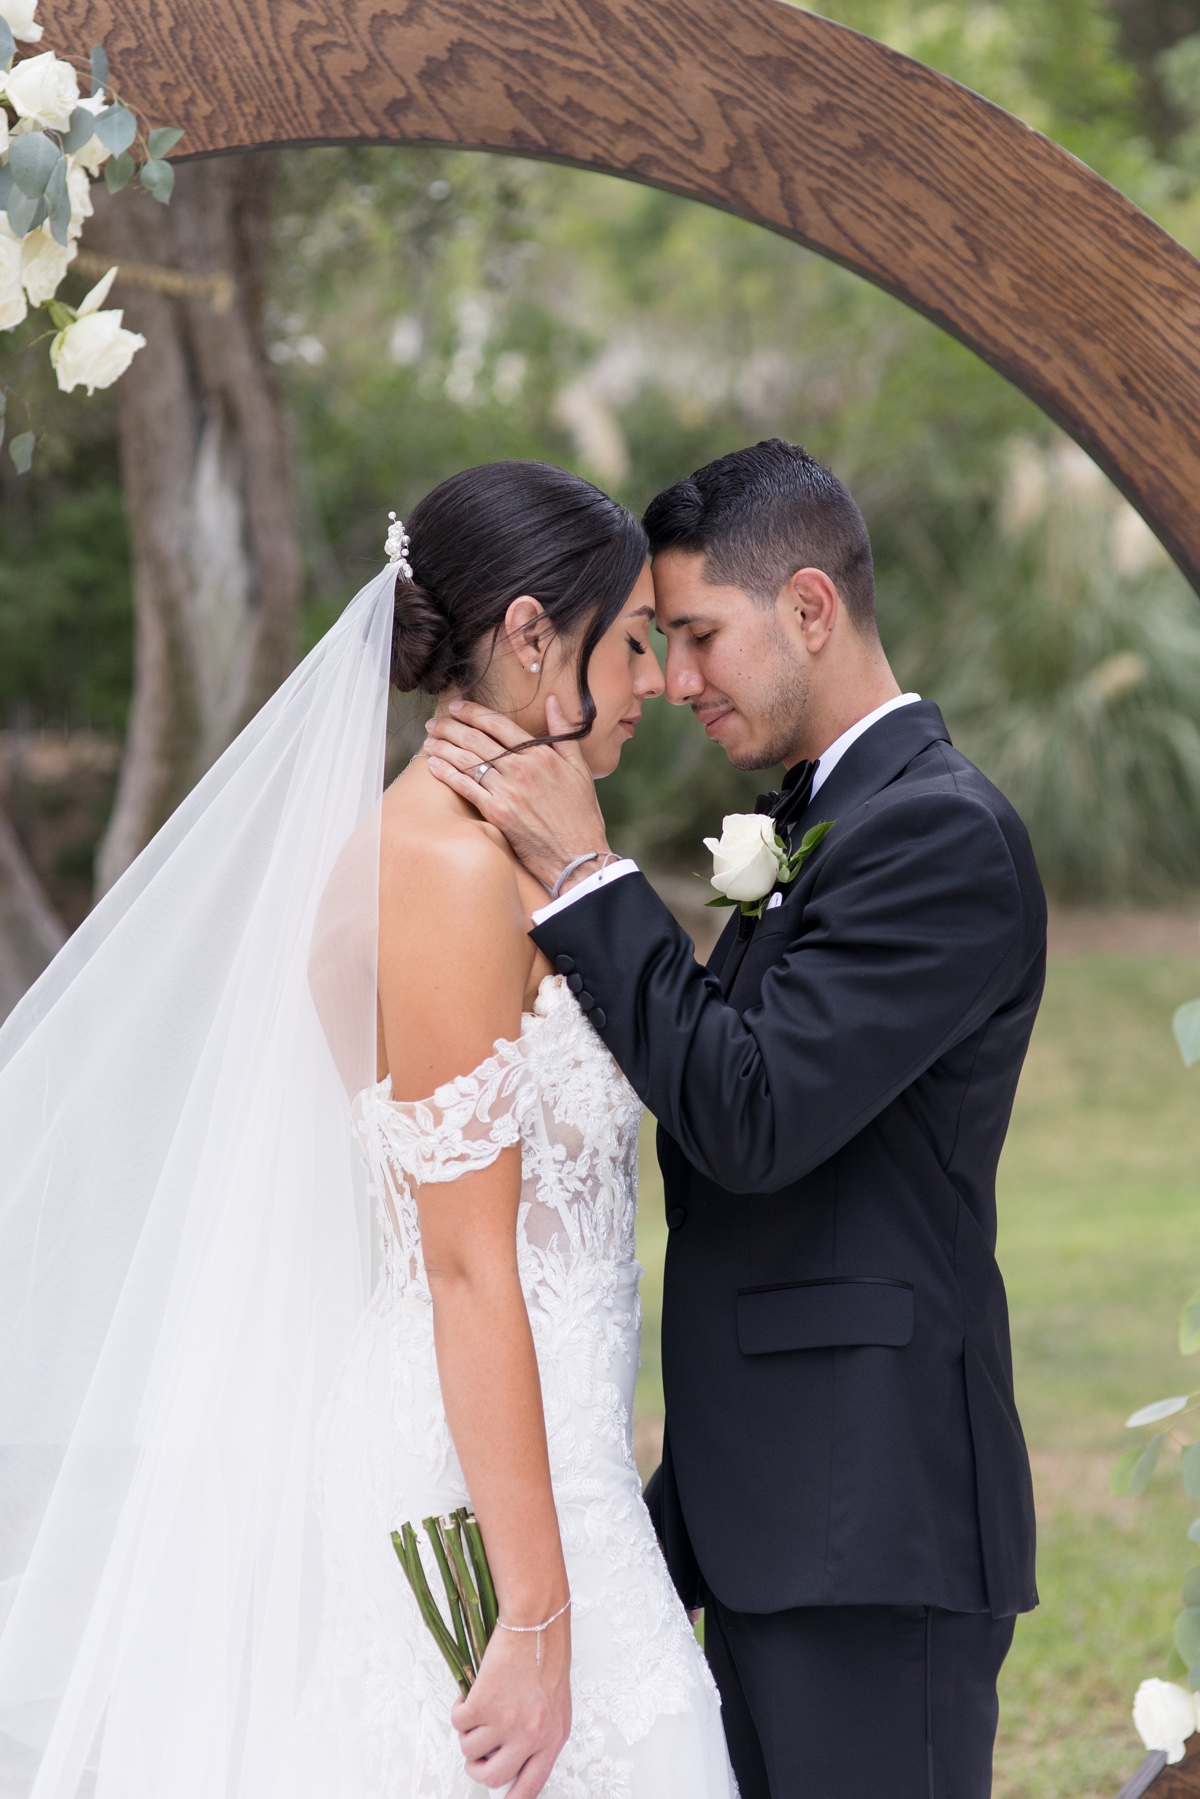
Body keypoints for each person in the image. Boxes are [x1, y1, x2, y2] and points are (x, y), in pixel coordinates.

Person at [0, 461, 736, 1799]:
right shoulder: (447, 873)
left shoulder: (470, 847)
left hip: (537, 1447)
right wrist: (532, 1615)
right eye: (628, 641)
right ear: (528, 640)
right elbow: (466, 1261)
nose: (649, 684)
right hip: (486, 1480)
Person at [424, 439, 1047, 1799]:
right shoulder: (828, 820)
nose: (677, 680)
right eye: (656, 641)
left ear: (811, 609)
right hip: (774, 1520)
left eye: (698, 636)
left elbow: (750, 1115)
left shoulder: (940, 836)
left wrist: (587, 875)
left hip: (873, 1536)